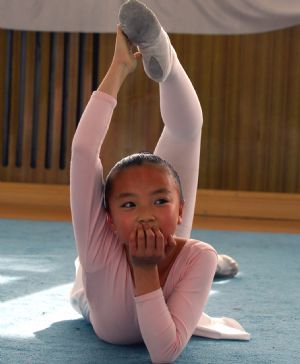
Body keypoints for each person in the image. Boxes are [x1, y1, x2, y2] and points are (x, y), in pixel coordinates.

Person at [69, 1, 248, 362]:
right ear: (108, 217)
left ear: (182, 210)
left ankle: (168, 60)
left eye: (161, 202)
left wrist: (149, 267)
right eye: (129, 205)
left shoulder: (197, 253)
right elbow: (84, 154)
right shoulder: (97, 246)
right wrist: (118, 69)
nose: (147, 215)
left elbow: (164, 350)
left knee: (185, 135)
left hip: (184, 255)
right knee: (82, 269)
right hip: (90, 288)